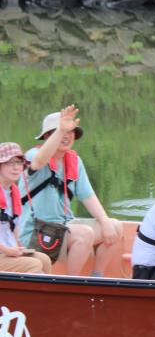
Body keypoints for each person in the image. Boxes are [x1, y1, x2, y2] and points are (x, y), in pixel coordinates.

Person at [19, 105, 123, 277]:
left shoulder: (74, 161)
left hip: (64, 226)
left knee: (115, 226)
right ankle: (71, 283)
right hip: (35, 233)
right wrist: (61, 129)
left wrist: (104, 222)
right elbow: (39, 161)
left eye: (71, 132)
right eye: (60, 132)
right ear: (46, 137)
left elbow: (88, 196)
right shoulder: (32, 156)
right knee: (84, 234)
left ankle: (97, 278)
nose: (67, 136)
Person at [0, 142, 51, 274]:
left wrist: (19, 248)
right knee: (32, 265)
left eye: (18, 162)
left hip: (7, 253)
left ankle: (47, 293)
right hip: (3, 253)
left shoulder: (13, 193)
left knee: (44, 259)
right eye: (9, 163)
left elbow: (13, 228)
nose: (16, 167)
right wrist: (7, 250)